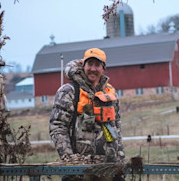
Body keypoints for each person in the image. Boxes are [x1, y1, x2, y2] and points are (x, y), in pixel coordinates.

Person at [49, 48, 125, 181]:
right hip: (80, 168)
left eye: (97, 65)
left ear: (103, 68)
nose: (93, 69)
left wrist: (120, 161)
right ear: (83, 66)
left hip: (107, 168)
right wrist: (70, 161)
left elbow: (116, 128)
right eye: (90, 64)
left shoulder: (110, 93)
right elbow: (57, 126)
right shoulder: (69, 91)